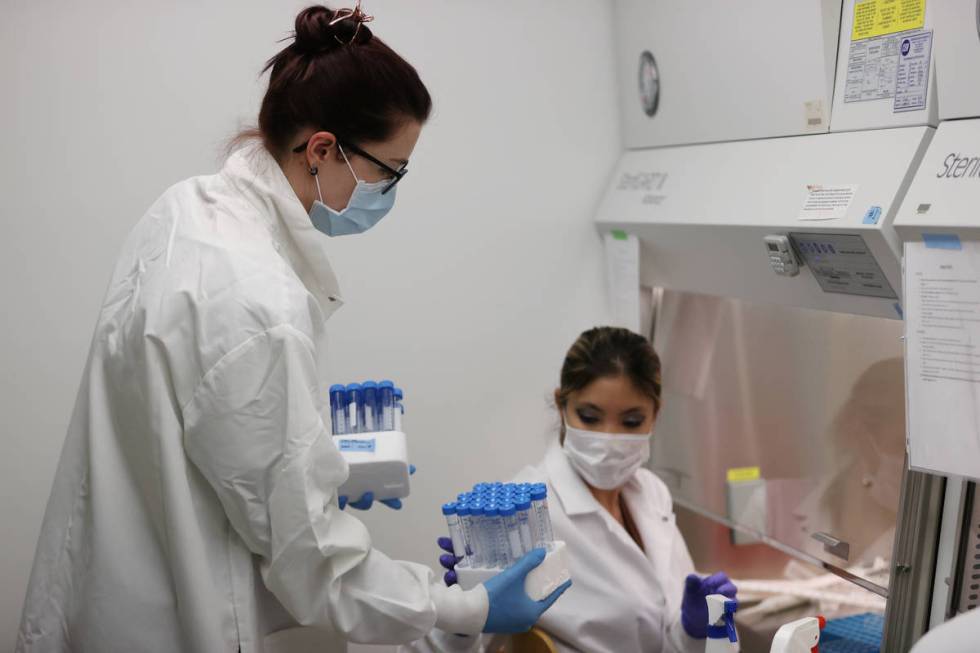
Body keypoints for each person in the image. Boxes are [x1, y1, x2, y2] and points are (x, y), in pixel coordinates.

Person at [16, 4, 567, 652]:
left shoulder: (187, 210)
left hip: (108, 593)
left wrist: (315, 459)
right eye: (390, 171)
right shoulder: (259, 305)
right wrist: (467, 605)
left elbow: (202, 419)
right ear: (322, 149)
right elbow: (317, 568)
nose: (390, 191)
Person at [409, 327, 738, 652]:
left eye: (632, 421)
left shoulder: (651, 492)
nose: (609, 438)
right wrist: (463, 618)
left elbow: (665, 637)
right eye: (590, 417)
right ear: (562, 405)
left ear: (655, 414)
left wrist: (693, 629)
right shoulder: (520, 513)